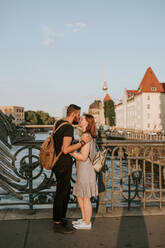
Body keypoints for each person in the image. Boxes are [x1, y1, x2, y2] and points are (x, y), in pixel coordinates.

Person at [52, 104, 90, 234]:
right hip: (63, 163)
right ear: (73, 114)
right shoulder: (68, 127)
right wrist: (82, 143)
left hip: (56, 163)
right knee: (62, 192)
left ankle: (60, 218)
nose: (79, 118)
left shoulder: (58, 123)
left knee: (63, 190)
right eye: (78, 115)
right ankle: (58, 222)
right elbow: (66, 149)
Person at [70, 114, 98, 230]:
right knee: (80, 196)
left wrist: (69, 151)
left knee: (85, 197)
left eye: (82, 119)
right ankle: (84, 219)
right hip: (84, 169)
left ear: (87, 122)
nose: (79, 120)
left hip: (86, 170)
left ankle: (87, 223)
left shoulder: (86, 135)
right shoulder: (85, 134)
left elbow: (83, 156)